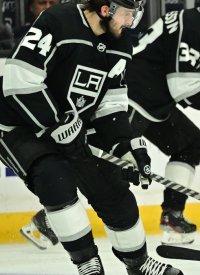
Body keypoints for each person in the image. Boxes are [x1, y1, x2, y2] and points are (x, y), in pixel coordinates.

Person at [0, 0, 183, 274]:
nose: (131, 22)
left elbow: (110, 102)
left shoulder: (120, 43)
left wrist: (127, 147)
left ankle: (139, 264)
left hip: (72, 128)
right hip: (18, 123)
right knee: (55, 176)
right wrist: (56, 123)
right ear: (105, 9)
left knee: (113, 187)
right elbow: (18, 80)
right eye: (127, 15)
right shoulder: (58, 21)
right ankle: (87, 263)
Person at [124, 0, 200, 245]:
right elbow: (181, 84)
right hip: (130, 99)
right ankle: (50, 219)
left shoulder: (195, 24)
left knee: (188, 143)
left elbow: (179, 81)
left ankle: (172, 217)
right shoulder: (194, 27)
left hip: (151, 100)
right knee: (107, 167)